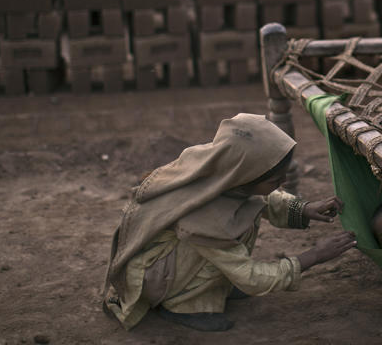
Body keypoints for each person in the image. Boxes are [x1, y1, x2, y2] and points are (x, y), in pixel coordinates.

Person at [102, 113, 357, 332]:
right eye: (274, 180)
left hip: (165, 258)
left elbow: (259, 197)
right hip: (154, 277)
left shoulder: (219, 164)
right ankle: (184, 305)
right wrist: (313, 256)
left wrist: (305, 209)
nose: (280, 184)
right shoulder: (205, 219)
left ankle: (216, 286)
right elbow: (249, 276)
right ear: (244, 176)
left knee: (247, 211)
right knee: (227, 235)